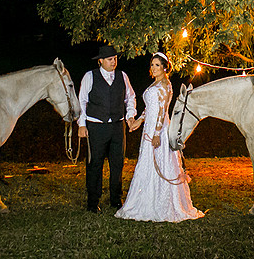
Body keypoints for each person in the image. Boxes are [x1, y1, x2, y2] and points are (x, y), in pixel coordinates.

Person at [116, 52, 204, 223]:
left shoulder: (165, 85)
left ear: (165, 67)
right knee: (146, 163)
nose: (154, 68)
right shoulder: (155, 84)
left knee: (161, 163)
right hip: (149, 128)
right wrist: (139, 121)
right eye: (152, 65)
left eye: (157, 65)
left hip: (159, 130)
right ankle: (145, 199)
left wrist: (157, 134)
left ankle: (162, 204)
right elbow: (150, 107)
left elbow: (162, 112)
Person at [77, 45, 137, 213]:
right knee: (95, 164)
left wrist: (130, 115)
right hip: (96, 126)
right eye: (110, 59)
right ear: (100, 61)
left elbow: (130, 97)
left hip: (118, 126)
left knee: (117, 164)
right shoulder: (90, 76)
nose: (113, 62)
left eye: (115, 59)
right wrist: (82, 124)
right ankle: (92, 202)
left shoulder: (122, 76)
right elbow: (82, 101)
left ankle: (116, 199)